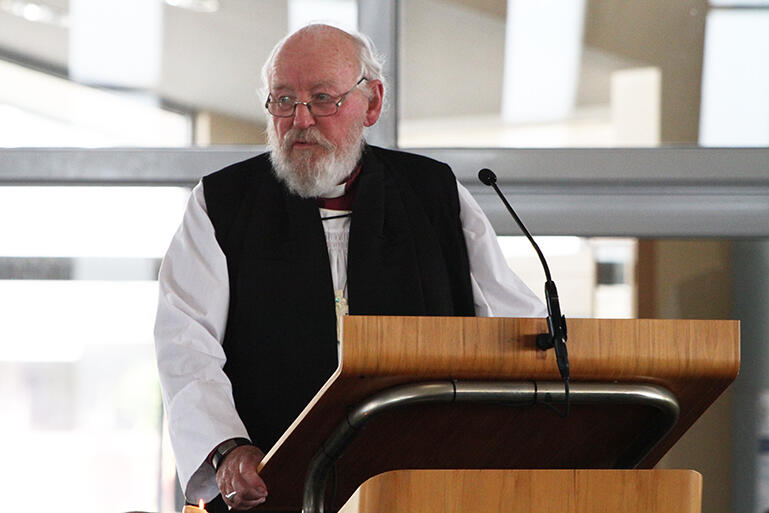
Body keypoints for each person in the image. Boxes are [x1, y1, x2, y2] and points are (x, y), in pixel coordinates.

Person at [154, 23, 546, 512]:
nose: (300, 120)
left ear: (372, 103)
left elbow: (517, 334)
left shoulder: (435, 196)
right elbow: (184, 344)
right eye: (282, 100)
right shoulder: (223, 204)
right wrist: (227, 449)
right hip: (276, 493)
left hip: (420, 490)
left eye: (322, 99)